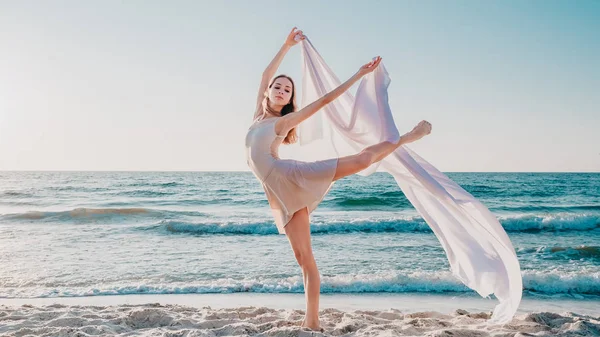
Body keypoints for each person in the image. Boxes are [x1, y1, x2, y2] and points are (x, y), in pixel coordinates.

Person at [245, 27, 432, 331]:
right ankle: (312, 320)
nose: (280, 90)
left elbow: (324, 101)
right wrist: (285, 46)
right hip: (277, 192)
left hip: (291, 177)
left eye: (287, 90)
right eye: (277, 87)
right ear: (267, 92)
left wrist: (358, 75)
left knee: (360, 160)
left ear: (289, 100)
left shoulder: (283, 122)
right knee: (302, 257)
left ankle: (408, 137)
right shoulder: (257, 117)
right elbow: (266, 74)